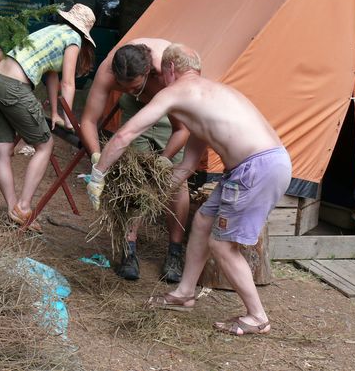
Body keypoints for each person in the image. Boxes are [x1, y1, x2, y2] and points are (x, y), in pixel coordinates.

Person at [87, 44, 292, 335]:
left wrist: (98, 174)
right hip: (259, 165)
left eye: (161, 74)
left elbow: (125, 134)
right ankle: (184, 293)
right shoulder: (207, 98)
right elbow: (186, 166)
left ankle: (258, 317)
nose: (160, 80)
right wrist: (150, 197)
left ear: (171, 69)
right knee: (203, 221)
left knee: (222, 245)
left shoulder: (175, 91)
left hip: (255, 168)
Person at [81, 39, 190, 282]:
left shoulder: (166, 72)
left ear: (148, 72)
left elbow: (182, 129)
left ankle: (174, 252)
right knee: (134, 178)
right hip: (136, 112)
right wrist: (97, 157)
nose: (129, 91)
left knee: (177, 182)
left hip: (170, 114)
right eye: (124, 87)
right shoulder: (109, 70)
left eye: (135, 86)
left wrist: (162, 161)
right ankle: (128, 249)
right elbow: (88, 120)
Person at [0, 3, 96, 232]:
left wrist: (55, 113)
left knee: (3, 151)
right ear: (85, 32)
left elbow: (51, 77)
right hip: (13, 87)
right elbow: (68, 82)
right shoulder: (73, 39)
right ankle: (24, 207)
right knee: (45, 146)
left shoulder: (53, 32)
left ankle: (14, 210)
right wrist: (68, 118)